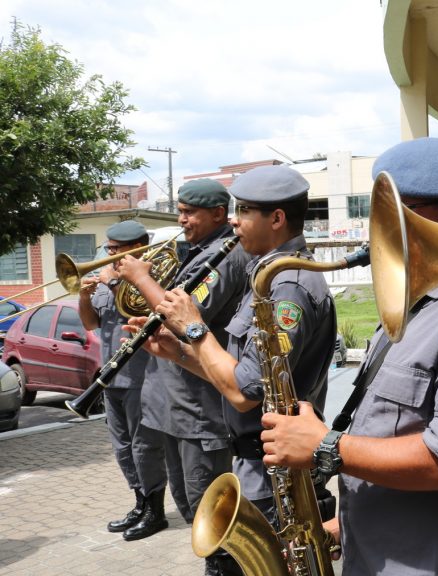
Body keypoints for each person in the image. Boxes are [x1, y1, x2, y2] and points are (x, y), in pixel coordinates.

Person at [260, 137, 438, 576]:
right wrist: (343, 529)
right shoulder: (417, 301)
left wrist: (324, 447)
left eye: (397, 213)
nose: (378, 230)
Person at [138, 165, 337, 534]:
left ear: (276, 218)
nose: (233, 220)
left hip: (273, 475)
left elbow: (245, 393)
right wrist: (179, 354)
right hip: (258, 466)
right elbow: (238, 372)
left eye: (244, 210)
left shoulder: (288, 286)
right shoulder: (267, 273)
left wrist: (194, 329)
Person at [118, 178, 251, 576]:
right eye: (180, 210)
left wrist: (142, 278)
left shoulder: (225, 255)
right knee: (189, 502)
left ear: (217, 215)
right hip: (171, 402)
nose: (182, 219)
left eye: (190, 212)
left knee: (208, 505)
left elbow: (185, 319)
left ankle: (225, 567)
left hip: (200, 406)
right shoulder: (195, 252)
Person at [78, 220, 167, 540]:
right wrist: (85, 295)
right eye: (109, 248)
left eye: (115, 249)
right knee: (122, 447)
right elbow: (90, 324)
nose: (109, 254)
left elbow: (154, 313)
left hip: (142, 378)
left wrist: (116, 283)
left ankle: (155, 511)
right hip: (110, 377)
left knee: (145, 448)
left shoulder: (150, 279)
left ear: (134, 248)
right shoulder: (105, 281)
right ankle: (140, 503)